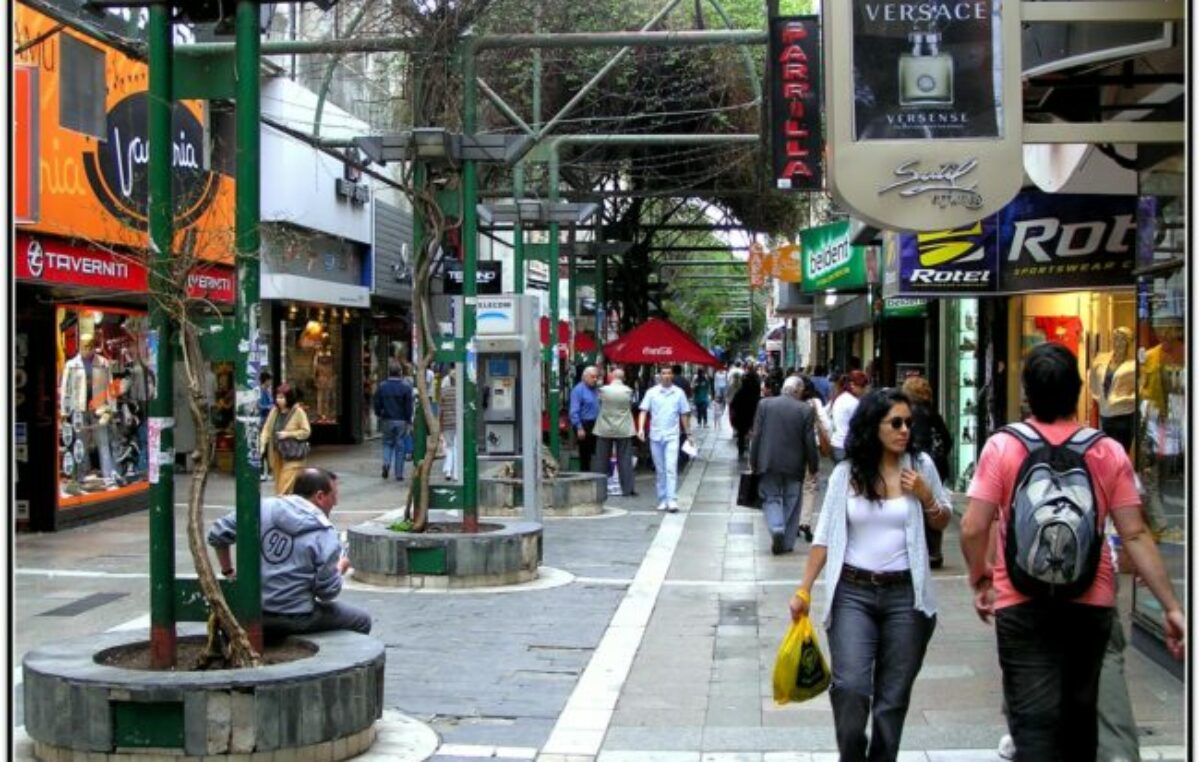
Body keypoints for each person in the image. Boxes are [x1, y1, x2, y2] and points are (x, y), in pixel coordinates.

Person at [960, 342, 1185, 762]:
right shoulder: (1106, 450)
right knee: (1081, 726)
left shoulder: (1003, 446)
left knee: (1033, 725)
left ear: (1027, 392)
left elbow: (973, 526)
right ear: (1079, 389)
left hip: (1020, 602)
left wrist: (981, 577)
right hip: (1091, 603)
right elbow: (1134, 534)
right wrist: (1172, 606)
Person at [790, 388, 951, 762]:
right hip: (853, 593)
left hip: (905, 597)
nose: (904, 430)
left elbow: (942, 518)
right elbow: (826, 535)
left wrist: (926, 496)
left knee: (892, 701)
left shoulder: (921, 466)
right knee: (851, 688)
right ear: (873, 426)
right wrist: (804, 590)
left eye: (908, 423)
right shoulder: (847, 473)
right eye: (895, 422)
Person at [208, 468, 371, 641]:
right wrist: (339, 568)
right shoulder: (325, 532)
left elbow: (217, 534)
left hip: (251, 609)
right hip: (296, 616)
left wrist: (228, 572)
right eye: (334, 495)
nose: (336, 502)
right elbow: (327, 592)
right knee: (362, 621)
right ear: (320, 496)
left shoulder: (262, 507)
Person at [750, 376, 819, 554]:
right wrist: (813, 465)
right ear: (797, 391)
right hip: (795, 464)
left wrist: (753, 460)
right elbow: (809, 441)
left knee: (770, 497)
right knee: (792, 500)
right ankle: (787, 542)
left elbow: (756, 435)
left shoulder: (764, 404)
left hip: (768, 461)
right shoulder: (806, 409)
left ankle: (777, 528)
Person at [901, 375, 952, 569]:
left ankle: (929, 549)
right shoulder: (933, 413)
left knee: (923, 505)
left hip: (923, 464)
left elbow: (916, 441)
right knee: (934, 504)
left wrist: (918, 461)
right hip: (938, 464)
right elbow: (947, 439)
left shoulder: (912, 414)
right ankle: (935, 549)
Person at [61, 333, 120, 489]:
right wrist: (64, 411)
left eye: (90, 345)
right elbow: (65, 389)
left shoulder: (103, 363)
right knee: (80, 443)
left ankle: (109, 477)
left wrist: (112, 408)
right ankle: (81, 477)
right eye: (84, 345)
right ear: (79, 345)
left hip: (99, 408)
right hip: (78, 408)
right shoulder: (71, 364)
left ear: (94, 345)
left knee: (103, 442)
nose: (87, 348)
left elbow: (110, 386)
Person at [637, 365, 691, 513]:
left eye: (668, 373)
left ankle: (672, 499)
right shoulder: (652, 392)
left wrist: (689, 434)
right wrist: (641, 428)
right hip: (655, 435)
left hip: (673, 435)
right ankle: (662, 499)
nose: (666, 375)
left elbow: (684, 414)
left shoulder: (679, 393)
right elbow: (643, 411)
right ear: (659, 376)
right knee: (660, 470)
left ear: (672, 376)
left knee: (671, 468)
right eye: (663, 373)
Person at [797, 375, 833, 543]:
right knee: (810, 485)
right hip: (811, 447)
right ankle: (805, 522)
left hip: (792, 448)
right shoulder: (815, 403)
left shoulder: (790, 402)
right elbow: (826, 425)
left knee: (793, 485)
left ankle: (793, 521)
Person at [259, 383, 311, 495]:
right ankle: (287, 509)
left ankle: (281, 507)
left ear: (289, 398)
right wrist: (262, 445)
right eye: (277, 397)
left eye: (282, 397)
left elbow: (306, 431)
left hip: (293, 456)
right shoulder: (274, 411)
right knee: (280, 486)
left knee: (283, 487)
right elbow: (267, 429)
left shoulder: (298, 412)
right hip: (277, 454)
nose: (279, 400)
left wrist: (288, 434)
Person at [593, 368, 637, 497]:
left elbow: (600, 405)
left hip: (604, 426)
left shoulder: (603, 391)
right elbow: (630, 406)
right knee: (625, 459)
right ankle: (627, 489)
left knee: (601, 459)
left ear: (612, 377)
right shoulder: (628, 391)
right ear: (623, 378)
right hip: (624, 427)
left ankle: (600, 488)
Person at [373, 360, 414, 481]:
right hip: (401, 420)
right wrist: (408, 420)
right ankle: (399, 474)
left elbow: (376, 402)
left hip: (387, 419)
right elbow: (409, 406)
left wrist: (379, 413)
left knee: (387, 443)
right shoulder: (406, 387)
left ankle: (386, 464)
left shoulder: (382, 386)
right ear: (400, 372)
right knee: (400, 446)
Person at [829, 370, 869, 462]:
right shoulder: (853, 403)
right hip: (846, 445)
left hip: (836, 443)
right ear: (853, 385)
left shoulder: (841, 398)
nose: (864, 390)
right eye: (862, 386)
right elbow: (861, 424)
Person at [570, 366, 602, 473]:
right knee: (585, 454)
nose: (595, 379)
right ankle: (585, 477)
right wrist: (579, 427)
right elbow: (574, 411)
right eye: (592, 377)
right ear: (585, 377)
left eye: (596, 377)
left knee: (596, 452)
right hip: (584, 424)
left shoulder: (596, 390)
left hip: (596, 423)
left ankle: (594, 475)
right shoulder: (578, 390)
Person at [729, 367, 761, 460]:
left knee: (741, 434)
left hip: (741, 416)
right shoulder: (756, 393)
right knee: (753, 433)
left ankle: (741, 449)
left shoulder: (741, 392)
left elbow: (734, 404)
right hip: (753, 415)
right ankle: (752, 449)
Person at [439, 369, 458, 481]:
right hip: (458, 424)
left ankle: (448, 471)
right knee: (456, 448)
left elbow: (441, 410)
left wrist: (440, 424)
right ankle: (456, 473)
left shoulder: (444, 392)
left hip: (447, 422)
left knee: (449, 447)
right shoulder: (460, 392)